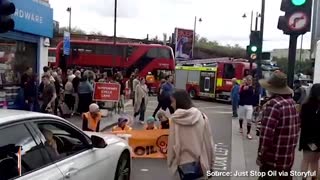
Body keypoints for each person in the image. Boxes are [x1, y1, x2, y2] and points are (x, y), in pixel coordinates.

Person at [256, 71, 300, 180]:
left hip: (273, 162)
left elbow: (266, 136)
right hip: (287, 160)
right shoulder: (292, 103)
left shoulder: (274, 105)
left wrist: (261, 156)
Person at [167, 89, 215, 180]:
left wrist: (170, 162)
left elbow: (172, 143)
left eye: (172, 101)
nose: (171, 104)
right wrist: (211, 165)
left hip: (183, 164)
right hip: (201, 163)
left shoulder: (175, 120)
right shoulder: (203, 117)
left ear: (179, 102)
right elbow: (209, 143)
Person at [299, 84, 320, 180]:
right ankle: (314, 178)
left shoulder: (305, 106)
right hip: (319, 139)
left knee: (306, 161)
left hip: (308, 139)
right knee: (315, 161)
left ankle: (304, 178)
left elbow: (302, 123)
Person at [238, 75, 255, 140]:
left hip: (249, 105)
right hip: (242, 104)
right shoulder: (242, 87)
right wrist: (243, 88)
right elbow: (240, 94)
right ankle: (241, 127)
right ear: (247, 80)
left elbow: (253, 95)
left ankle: (248, 133)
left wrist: (255, 104)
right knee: (241, 117)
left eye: (251, 80)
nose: (249, 81)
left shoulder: (252, 88)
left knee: (249, 119)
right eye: (248, 80)